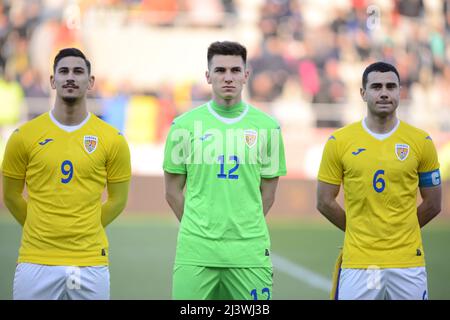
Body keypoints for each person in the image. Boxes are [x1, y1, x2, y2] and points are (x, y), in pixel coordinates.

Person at [2, 48, 131, 300]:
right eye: (63, 71)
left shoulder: (112, 140)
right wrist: (41, 225)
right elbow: (10, 196)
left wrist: (86, 226)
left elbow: (118, 200)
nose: (70, 77)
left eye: (78, 71)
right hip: (35, 259)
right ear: (52, 80)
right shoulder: (23, 137)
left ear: (90, 81)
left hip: (90, 260)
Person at [163, 41, 287, 300]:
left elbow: (269, 193)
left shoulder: (268, 128)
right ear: (208, 76)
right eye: (220, 70)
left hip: (249, 252)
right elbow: (172, 192)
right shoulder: (183, 126)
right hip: (196, 251)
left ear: (246, 75)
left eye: (234, 70)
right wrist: (201, 229)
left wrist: (243, 226)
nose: (227, 77)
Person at [317, 61, 442, 300]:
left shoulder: (421, 142)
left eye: (390, 86)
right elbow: (324, 201)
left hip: (408, 261)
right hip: (359, 262)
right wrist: (358, 231)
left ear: (399, 92)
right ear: (363, 93)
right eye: (376, 86)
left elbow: (434, 204)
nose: (384, 92)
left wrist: (400, 229)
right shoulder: (339, 142)